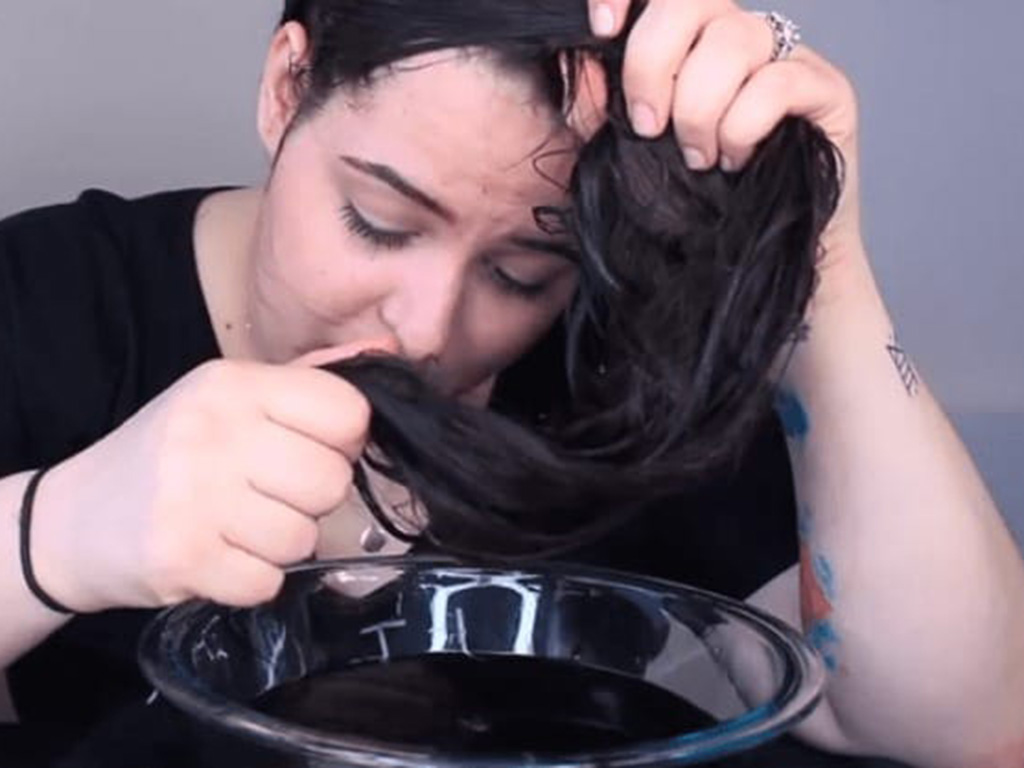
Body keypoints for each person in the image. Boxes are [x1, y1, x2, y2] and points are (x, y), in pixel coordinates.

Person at [0, 1, 1022, 766]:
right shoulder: (49, 302)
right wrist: (52, 533)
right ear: (285, 88)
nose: (427, 331)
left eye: (518, 275)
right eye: (379, 221)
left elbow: (971, 729)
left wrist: (823, 268)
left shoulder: (627, 360)